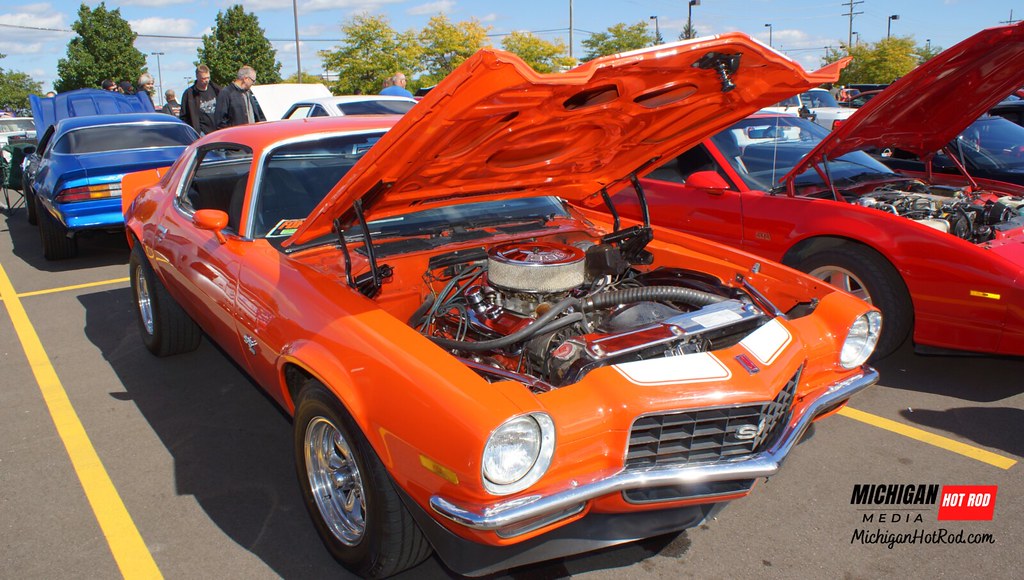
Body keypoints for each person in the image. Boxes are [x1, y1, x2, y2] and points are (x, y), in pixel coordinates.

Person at [179, 64, 221, 136]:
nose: (206, 81)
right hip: (200, 133)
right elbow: (183, 116)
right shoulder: (189, 94)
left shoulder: (216, 90)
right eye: (203, 78)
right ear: (197, 77)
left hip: (217, 131)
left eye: (208, 78)